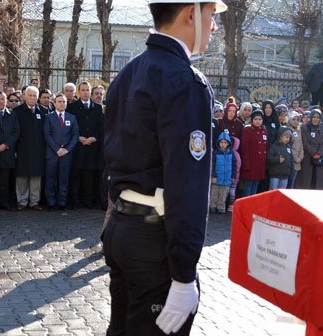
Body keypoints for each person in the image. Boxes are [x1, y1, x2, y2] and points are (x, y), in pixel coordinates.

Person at [102, 0, 226, 334]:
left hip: (123, 227)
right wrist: (184, 275)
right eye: (211, 16)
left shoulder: (129, 72)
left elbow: (113, 155)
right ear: (190, 14)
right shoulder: (185, 81)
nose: (213, 27)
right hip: (155, 243)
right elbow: (188, 185)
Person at [67, 81, 104, 209]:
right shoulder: (72, 107)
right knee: (76, 174)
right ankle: (75, 201)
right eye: (82, 90)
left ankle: (89, 201)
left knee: (90, 175)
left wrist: (95, 138)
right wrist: (78, 137)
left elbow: (101, 127)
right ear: (78, 92)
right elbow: (69, 127)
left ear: (90, 92)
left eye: (87, 90)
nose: (85, 92)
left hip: (93, 146)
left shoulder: (98, 108)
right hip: (77, 146)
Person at [14, 86, 47, 211]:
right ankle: (21, 201)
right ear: (24, 96)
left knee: (36, 176)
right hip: (22, 148)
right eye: (30, 95)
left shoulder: (43, 111)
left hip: (38, 149)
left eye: (35, 95)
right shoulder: (17, 111)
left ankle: (34, 201)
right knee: (21, 175)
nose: (32, 98)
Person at [44, 95, 79, 211]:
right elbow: (47, 135)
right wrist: (57, 149)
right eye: (59, 101)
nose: (62, 103)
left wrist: (67, 149)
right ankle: (51, 202)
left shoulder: (72, 118)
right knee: (50, 179)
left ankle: (62, 202)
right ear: (54, 103)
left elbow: (75, 136)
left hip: (66, 154)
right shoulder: (48, 117)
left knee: (64, 179)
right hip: (52, 154)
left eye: (64, 101)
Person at [240, 110, 268, 196]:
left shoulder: (264, 130)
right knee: (248, 185)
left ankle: (252, 205)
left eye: (260, 119)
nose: (258, 121)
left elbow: (266, 147)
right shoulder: (247, 130)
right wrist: (246, 164)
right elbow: (245, 148)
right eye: (255, 119)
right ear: (252, 120)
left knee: (255, 185)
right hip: (251, 163)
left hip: (260, 163)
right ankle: (246, 205)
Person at [298, 109, 323, 189]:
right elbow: (305, 142)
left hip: (320, 156)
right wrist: (314, 153)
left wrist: (319, 153)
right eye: (314, 117)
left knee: (318, 179)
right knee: (307, 179)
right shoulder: (304, 127)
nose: (316, 119)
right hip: (308, 155)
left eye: (318, 117)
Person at [210, 132, 235, 214]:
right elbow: (212, 165)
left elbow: (234, 165)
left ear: (228, 143)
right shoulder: (215, 153)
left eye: (225, 142)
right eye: (221, 142)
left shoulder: (231, 153)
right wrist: (213, 175)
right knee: (214, 193)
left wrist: (233, 176)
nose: (223, 144)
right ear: (218, 143)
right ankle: (212, 206)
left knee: (223, 194)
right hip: (216, 178)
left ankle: (221, 207)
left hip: (226, 178)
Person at [287, 111, 304, 188]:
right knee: (289, 184)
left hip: (298, 161)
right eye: (293, 119)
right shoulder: (287, 130)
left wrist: (300, 157)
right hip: (290, 161)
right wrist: (295, 158)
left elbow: (301, 145)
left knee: (292, 183)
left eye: (297, 119)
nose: (295, 121)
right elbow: (289, 146)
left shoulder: (298, 130)